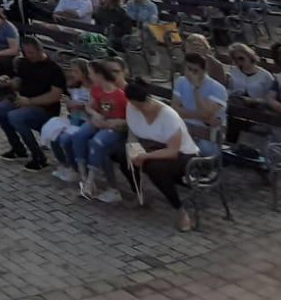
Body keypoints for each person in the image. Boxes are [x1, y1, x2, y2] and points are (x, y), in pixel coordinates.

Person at [123, 78, 201, 231]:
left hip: (184, 155)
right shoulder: (131, 108)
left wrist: (144, 156)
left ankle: (180, 211)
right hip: (153, 148)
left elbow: (173, 151)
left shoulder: (168, 116)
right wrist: (132, 150)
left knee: (154, 167)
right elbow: (132, 132)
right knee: (122, 154)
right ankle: (139, 195)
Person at [0, 36, 65, 170]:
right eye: (26, 52)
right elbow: (20, 81)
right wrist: (9, 82)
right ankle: (18, 149)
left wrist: (30, 102)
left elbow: (55, 96)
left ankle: (39, 157)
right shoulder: (24, 63)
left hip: (45, 109)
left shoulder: (53, 69)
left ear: (40, 50)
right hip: (25, 102)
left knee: (15, 116)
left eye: (31, 53)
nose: (28, 55)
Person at [69, 59, 128, 202]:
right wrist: (95, 115)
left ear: (99, 75)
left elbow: (128, 120)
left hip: (115, 128)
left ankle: (90, 182)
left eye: (91, 74)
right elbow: (90, 106)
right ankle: (84, 178)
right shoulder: (96, 89)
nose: (89, 77)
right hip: (100, 122)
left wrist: (108, 123)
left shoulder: (120, 94)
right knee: (79, 136)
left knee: (97, 143)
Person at [44, 58, 94, 181]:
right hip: (75, 119)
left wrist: (80, 105)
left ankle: (76, 168)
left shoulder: (93, 88)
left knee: (66, 139)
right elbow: (72, 110)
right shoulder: (74, 87)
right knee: (53, 134)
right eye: (72, 71)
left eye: (76, 71)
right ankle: (66, 164)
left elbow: (94, 108)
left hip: (88, 121)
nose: (73, 74)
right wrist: (69, 103)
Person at [172, 53, 228, 154]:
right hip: (184, 130)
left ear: (204, 70)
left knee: (203, 149)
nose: (191, 74)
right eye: (188, 69)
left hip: (206, 137)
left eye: (195, 71)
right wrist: (200, 116)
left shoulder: (218, 89)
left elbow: (205, 113)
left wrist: (196, 89)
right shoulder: (180, 81)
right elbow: (175, 110)